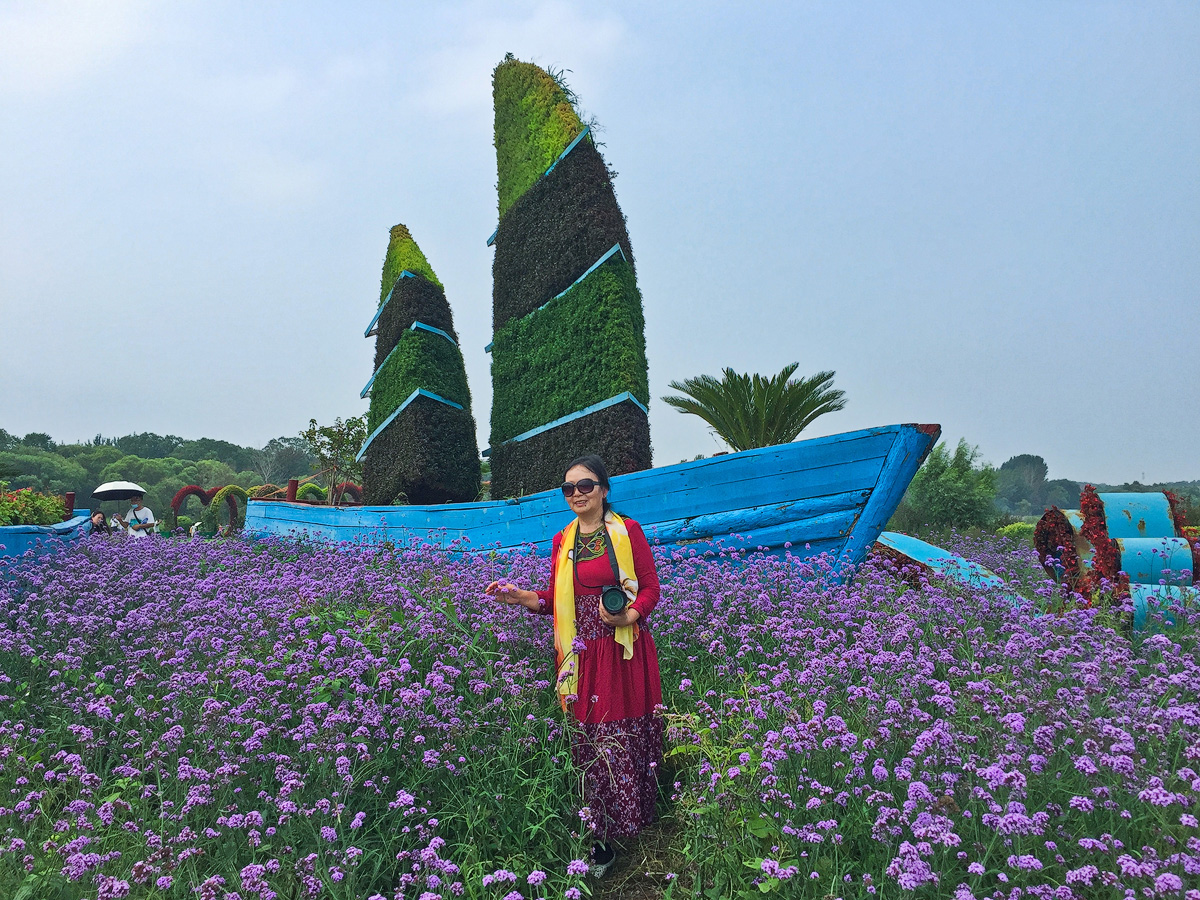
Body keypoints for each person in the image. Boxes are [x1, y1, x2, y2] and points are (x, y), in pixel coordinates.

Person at [485, 455, 663, 876]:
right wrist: (521, 597)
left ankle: (630, 821)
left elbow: (651, 589)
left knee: (620, 731)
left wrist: (629, 615)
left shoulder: (627, 531)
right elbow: (554, 600)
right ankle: (599, 837)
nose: (577, 494)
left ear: (604, 489)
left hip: (621, 647)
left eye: (585, 485)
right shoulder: (562, 540)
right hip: (580, 653)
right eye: (569, 488)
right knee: (587, 738)